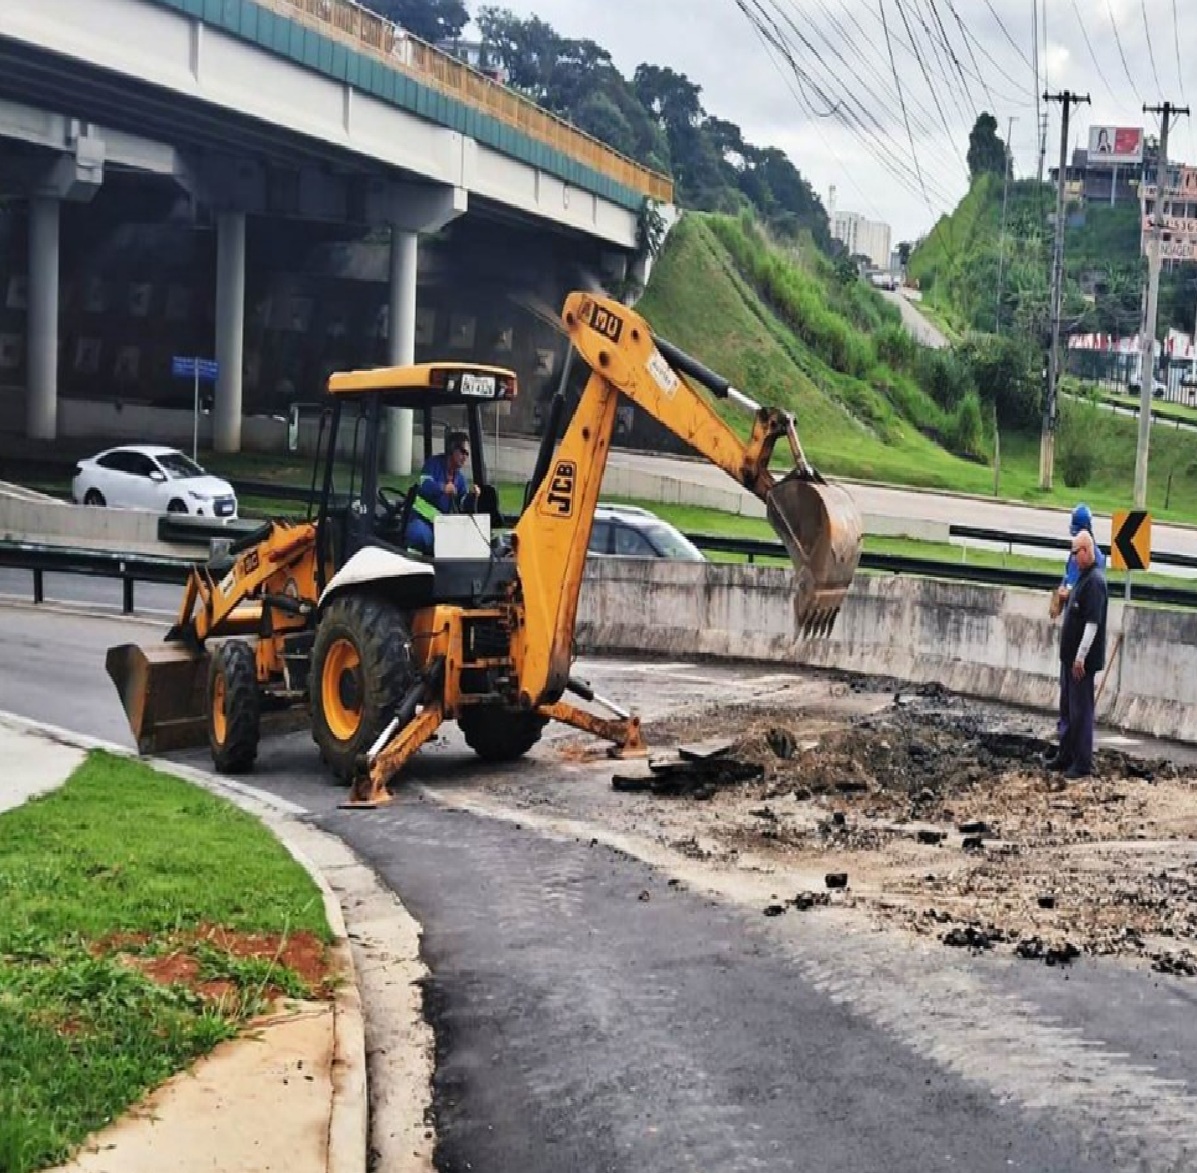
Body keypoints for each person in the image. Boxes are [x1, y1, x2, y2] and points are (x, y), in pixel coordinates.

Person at [1045, 530, 1108, 779]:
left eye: (1075, 553)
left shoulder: (1095, 583)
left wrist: (1080, 657)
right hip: (1069, 659)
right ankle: (1066, 755)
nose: (1072, 558)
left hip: (1080, 663)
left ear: (1085, 551)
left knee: (1081, 712)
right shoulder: (1083, 578)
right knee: (1068, 710)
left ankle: (1082, 763)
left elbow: (1092, 624)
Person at [404, 430, 478, 554]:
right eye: (463, 452)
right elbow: (425, 485)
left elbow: (463, 504)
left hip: (443, 529)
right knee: (417, 533)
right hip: (422, 521)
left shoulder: (460, 479)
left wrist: (473, 496)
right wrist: (442, 488)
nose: (465, 457)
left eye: (467, 454)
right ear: (452, 448)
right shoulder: (433, 464)